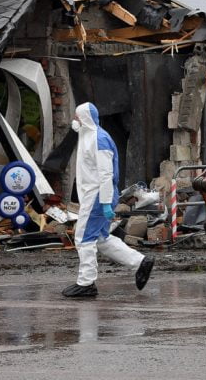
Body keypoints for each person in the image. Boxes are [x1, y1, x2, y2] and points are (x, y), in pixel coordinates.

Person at [62, 102, 155, 298]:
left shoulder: (98, 139)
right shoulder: (88, 136)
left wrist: (105, 202)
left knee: (83, 238)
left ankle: (86, 283)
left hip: (97, 196)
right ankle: (140, 262)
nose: (74, 120)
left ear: (84, 118)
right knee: (102, 240)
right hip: (94, 195)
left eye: (77, 117)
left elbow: (106, 174)